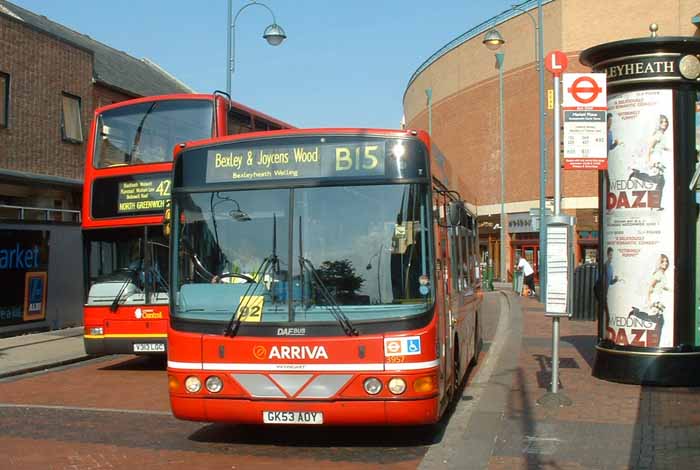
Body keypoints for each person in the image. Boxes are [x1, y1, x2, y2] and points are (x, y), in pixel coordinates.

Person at [595, 247, 620, 327]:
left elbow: (610, 282)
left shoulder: (611, 268)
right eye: (610, 255)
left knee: (604, 314)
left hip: (604, 294)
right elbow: (598, 280)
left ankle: (603, 331)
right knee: (604, 314)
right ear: (607, 255)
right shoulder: (604, 266)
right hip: (601, 292)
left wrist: (615, 280)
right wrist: (599, 294)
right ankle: (603, 332)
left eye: (612, 255)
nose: (611, 257)